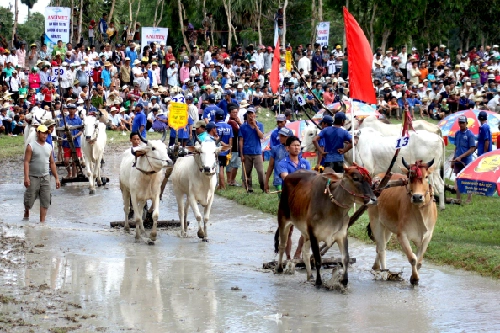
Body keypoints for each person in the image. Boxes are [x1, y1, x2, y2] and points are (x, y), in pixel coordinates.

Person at [23, 124, 61, 222]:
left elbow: (52, 163)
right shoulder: (31, 146)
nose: (44, 136)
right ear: (38, 133)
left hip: (45, 177)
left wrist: (56, 178)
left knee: (45, 200)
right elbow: (26, 162)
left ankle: (42, 222)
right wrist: (26, 177)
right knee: (29, 198)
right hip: (33, 176)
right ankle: (26, 211)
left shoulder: (49, 147)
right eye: (43, 133)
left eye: (46, 134)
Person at [238, 107, 264, 192]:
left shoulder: (260, 125)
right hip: (246, 152)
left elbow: (261, 136)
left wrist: (256, 127)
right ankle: (249, 188)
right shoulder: (243, 126)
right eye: (249, 114)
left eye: (252, 113)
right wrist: (241, 154)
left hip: (257, 152)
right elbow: (241, 141)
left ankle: (263, 186)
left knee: (260, 171)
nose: (250, 115)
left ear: (254, 115)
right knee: (247, 172)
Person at [452, 116, 476, 204]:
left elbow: (472, 148)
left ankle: (469, 199)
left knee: (468, 179)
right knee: (457, 178)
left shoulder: (470, 134)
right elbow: (456, 147)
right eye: (460, 123)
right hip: (457, 160)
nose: (461, 124)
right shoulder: (457, 133)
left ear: (466, 123)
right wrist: (454, 158)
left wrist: (461, 157)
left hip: (466, 160)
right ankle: (458, 198)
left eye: (463, 123)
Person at [264, 127, 293, 194]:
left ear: (289, 137)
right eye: (280, 135)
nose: (280, 137)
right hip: (279, 181)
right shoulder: (275, 149)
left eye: (283, 136)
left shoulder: (295, 150)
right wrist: (266, 182)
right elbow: (271, 166)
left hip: (292, 181)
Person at [62, 104, 83, 179]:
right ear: (68, 110)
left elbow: (81, 130)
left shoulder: (79, 119)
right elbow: (62, 129)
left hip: (76, 142)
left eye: (73, 109)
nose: (71, 110)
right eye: (69, 109)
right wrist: (68, 134)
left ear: (75, 110)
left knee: (75, 161)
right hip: (67, 143)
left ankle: (74, 176)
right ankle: (69, 172)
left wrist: (76, 136)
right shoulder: (65, 119)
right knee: (66, 161)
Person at [215, 109, 233, 189]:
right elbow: (231, 139)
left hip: (219, 150)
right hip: (227, 151)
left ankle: (223, 186)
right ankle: (220, 185)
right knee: (222, 167)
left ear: (216, 117)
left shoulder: (215, 127)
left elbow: (216, 138)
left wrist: (224, 146)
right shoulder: (229, 126)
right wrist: (229, 149)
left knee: (220, 168)